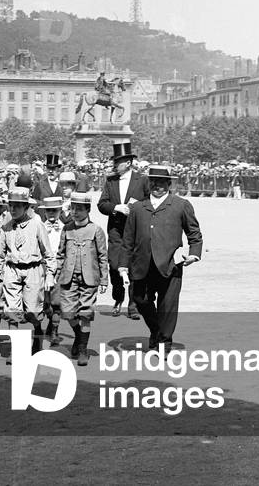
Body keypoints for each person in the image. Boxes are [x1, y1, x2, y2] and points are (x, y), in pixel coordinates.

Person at [121, 165, 203, 353]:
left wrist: (194, 253)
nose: (158, 186)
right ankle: (156, 330)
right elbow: (128, 240)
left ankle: (164, 342)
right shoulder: (138, 208)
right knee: (140, 300)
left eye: (162, 182)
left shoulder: (181, 205)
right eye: (154, 182)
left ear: (169, 184)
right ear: (149, 183)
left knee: (168, 306)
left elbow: (194, 234)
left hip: (170, 265)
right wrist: (123, 266)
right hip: (142, 265)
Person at [0, 187, 57, 363]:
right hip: (12, 270)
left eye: (18, 206)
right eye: (11, 206)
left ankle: (37, 331)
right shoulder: (6, 228)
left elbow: (48, 253)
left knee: (33, 311)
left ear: (26, 207)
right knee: (12, 311)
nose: (13, 209)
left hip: (33, 270)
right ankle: (15, 349)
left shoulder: (36, 225)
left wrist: (50, 275)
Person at [56, 192, 108, 366]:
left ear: (88, 210)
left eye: (79, 209)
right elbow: (60, 254)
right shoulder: (67, 228)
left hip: (89, 278)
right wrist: (55, 273)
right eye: (73, 208)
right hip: (68, 278)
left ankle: (83, 349)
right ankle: (79, 337)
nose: (75, 212)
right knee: (68, 313)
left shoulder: (96, 230)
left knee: (85, 313)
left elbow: (102, 256)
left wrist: (104, 280)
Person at [97, 141, 147, 320]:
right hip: (116, 230)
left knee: (134, 266)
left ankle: (133, 305)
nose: (114, 166)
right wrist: (116, 207)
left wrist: (135, 209)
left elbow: (149, 203)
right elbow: (101, 205)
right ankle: (118, 298)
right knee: (115, 266)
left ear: (128, 163)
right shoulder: (110, 181)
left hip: (135, 231)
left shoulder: (142, 180)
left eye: (117, 163)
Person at [37, 196, 65, 346]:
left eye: (54, 210)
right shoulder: (39, 226)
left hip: (59, 268)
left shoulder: (66, 228)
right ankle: (48, 322)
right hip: (43, 267)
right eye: (49, 211)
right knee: (43, 302)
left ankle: (54, 330)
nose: (52, 214)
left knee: (57, 302)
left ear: (60, 211)